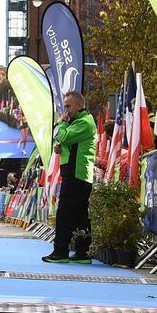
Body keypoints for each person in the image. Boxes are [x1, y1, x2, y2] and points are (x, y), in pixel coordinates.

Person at [43, 91, 97, 264]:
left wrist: (63, 126)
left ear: (80, 105)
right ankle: (83, 252)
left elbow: (64, 136)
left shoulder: (84, 121)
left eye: (68, 106)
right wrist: (60, 147)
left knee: (65, 214)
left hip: (76, 175)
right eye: (64, 106)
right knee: (81, 216)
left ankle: (60, 251)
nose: (65, 110)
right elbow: (65, 141)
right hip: (78, 175)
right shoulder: (79, 121)